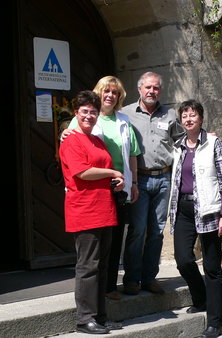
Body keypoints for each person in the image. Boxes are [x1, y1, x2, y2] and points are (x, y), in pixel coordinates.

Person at [61, 76, 141, 301]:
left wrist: (129, 180)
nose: (110, 95)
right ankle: (88, 313)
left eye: (115, 92)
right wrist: (113, 173)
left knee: (108, 252)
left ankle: (104, 299)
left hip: (112, 194)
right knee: (90, 261)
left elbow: (132, 154)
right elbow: (78, 160)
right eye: (106, 91)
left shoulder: (118, 124)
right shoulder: (79, 128)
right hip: (88, 198)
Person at [59, 90, 125, 335]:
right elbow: (82, 172)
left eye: (93, 112)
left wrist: (114, 182)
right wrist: (112, 174)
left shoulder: (97, 140)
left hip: (104, 207)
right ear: (77, 114)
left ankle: (100, 316)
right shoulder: (71, 140)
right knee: (88, 267)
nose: (89, 116)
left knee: (103, 266)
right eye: (84, 111)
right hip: (84, 209)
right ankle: (84, 319)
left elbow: (103, 169)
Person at [167, 99, 222, 338]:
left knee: (212, 268)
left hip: (209, 211)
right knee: (184, 260)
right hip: (183, 210)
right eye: (184, 115)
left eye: (192, 115)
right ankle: (201, 298)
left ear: (201, 119)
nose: (188, 119)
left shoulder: (215, 144)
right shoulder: (178, 146)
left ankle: (216, 321)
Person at [120, 72, 185, 295]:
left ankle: (149, 278)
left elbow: (182, 139)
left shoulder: (169, 113)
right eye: (148, 87)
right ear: (139, 89)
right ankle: (131, 279)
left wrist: (204, 137)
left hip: (164, 178)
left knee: (157, 231)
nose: (151, 91)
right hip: (139, 179)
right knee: (138, 230)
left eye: (156, 88)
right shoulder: (126, 114)